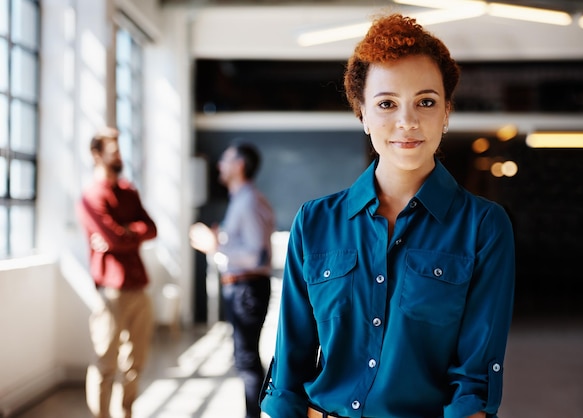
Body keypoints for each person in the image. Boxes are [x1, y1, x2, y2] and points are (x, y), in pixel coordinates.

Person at [260, 13, 515, 418]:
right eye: (386, 104)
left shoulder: (483, 227)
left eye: (426, 102)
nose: (407, 121)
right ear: (362, 113)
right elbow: (290, 362)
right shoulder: (314, 222)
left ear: (447, 112)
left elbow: (474, 382)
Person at [189, 141, 275, 418]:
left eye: (225, 159)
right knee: (245, 357)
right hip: (242, 288)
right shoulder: (243, 198)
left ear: (239, 166)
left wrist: (215, 245)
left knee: (247, 359)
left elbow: (256, 256)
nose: (219, 165)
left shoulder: (248, 200)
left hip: (246, 288)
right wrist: (220, 242)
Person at [77, 127, 157, 418]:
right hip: (110, 292)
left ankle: (126, 413)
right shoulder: (91, 197)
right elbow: (114, 238)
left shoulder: (128, 191)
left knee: (136, 362)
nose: (120, 156)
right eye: (114, 150)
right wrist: (123, 235)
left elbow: (151, 228)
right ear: (97, 155)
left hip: (138, 287)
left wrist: (124, 232)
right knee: (105, 364)